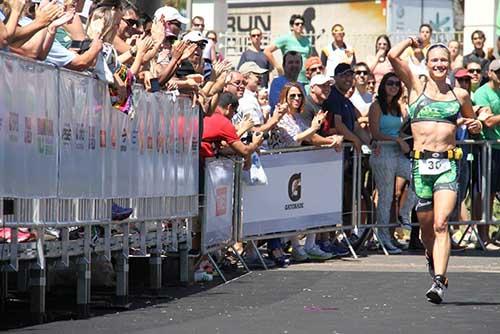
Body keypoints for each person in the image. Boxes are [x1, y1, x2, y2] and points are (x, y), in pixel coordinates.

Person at [389, 39, 483, 304]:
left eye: (444, 60)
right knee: (427, 229)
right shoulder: (416, 87)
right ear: (427, 64)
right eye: (435, 61)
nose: (440, 64)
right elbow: (393, 57)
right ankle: (432, 257)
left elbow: (472, 119)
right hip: (421, 166)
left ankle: (439, 282)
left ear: (450, 63)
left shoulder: (459, 95)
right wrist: (411, 41)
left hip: (448, 165)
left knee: (442, 223)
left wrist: (474, 124)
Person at [268, 82, 342, 261]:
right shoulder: (280, 117)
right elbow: (294, 139)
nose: (296, 99)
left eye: (299, 96)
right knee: (289, 208)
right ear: (284, 97)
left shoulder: (299, 118)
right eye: (292, 96)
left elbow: (310, 136)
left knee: (304, 205)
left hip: (296, 168)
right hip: (280, 168)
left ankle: (308, 245)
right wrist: (314, 128)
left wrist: (329, 139)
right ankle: (295, 246)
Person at [368, 73, 417, 254]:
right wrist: (397, 140)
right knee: (386, 197)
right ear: (383, 85)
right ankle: (384, 238)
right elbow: (375, 133)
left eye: (397, 84)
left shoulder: (398, 107)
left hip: (397, 153)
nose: (394, 86)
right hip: (383, 152)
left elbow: (402, 131)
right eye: (390, 83)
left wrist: (404, 139)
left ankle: (404, 213)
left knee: (417, 177)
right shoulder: (376, 106)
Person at [471, 59, 500, 248]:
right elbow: (487, 122)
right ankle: (484, 235)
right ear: (489, 73)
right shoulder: (482, 93)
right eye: (498, 71)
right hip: (489, 148)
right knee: (487, 193)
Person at [264, 14, 315, 85]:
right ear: (292, 26)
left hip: (305, 79)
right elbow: (267, 51)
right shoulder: (285, 39)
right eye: (297, 24)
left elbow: (309, 58)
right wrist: (278, 66)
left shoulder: (307, 41)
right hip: (290, 79)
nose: (300, 26)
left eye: (302, 24)